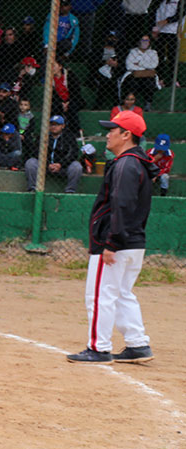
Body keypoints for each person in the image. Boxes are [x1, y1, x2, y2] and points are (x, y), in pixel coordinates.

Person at [70, 111, 154, 364]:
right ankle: (137, 344)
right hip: (133, 242)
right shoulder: (135, 163)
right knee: (122, 293)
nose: (108, 135)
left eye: (112, 130)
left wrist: (111, 242)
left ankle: (99, 348)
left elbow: (122, 205)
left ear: (126, 135)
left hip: (116, 242)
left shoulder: (126, 164)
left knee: (100, 295)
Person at [26, 114, 83, 193]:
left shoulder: (69, 137)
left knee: (76, 166)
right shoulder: (42, 136)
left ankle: (70, 191)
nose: (54, 127)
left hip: (63, 167)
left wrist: (60, 164)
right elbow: (36, 152)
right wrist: (47, 164)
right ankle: (33, 189)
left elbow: (73, 153)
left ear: (63, 126)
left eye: (57, 125)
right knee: (31, 162)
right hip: (44, 167)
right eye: (52, 124)